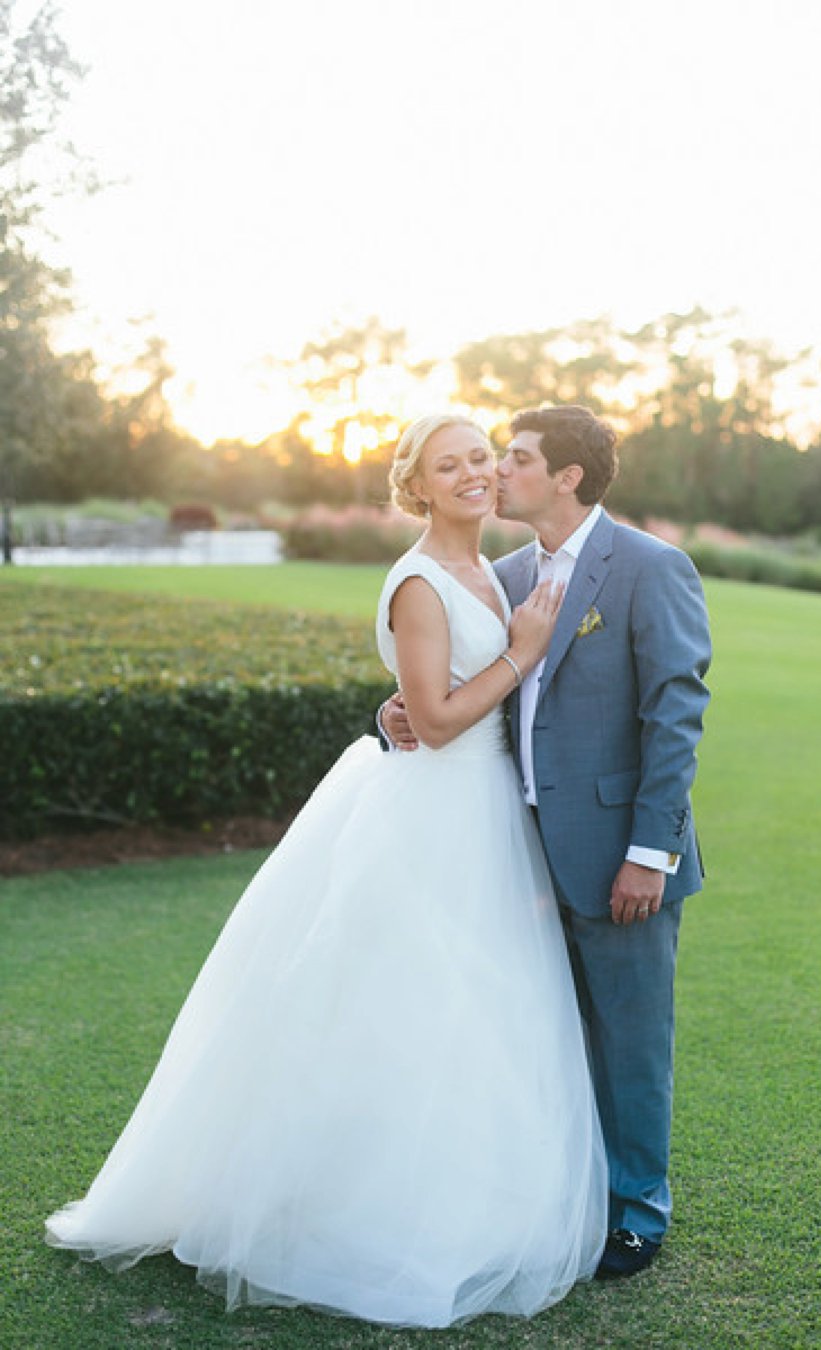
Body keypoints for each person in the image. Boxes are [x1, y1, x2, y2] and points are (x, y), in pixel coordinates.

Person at [45, 413, 607, 1329]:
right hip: (435, 816)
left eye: (481, 459)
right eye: (448, 464)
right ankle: (362, 1213)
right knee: (408, 1007)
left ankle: (467, 1198)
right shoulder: (420, 581)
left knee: (477, 1008)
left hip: (488, 812)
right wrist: (520, 653)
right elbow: (430, 719)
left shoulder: (493, 573)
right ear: (416, 485)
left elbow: (431, 706)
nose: (473, 474)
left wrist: (501, 658)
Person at [384, 405, 711, 1277]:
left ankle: (637, 1210)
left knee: (631, 1043)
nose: (497, 473)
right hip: (512, 854)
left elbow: (674, 718)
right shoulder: (501, 572)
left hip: (618, 857)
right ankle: (564, 1196)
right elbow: (458, 685)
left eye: (514, 459)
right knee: (547, 1040)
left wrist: (652, 851)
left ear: (565, 477)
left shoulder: (650, 566)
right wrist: (393, 714)